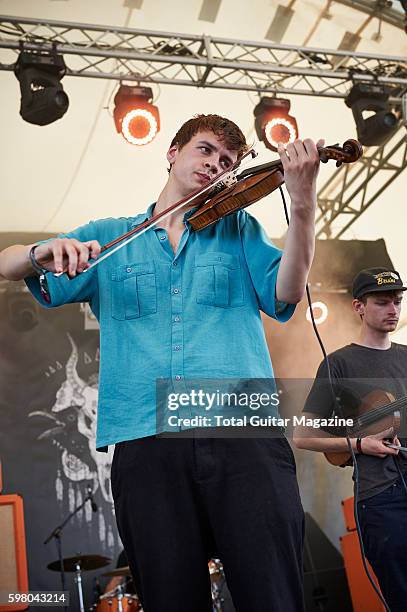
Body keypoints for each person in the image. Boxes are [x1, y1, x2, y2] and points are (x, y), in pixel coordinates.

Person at [0, 114, 323, 612]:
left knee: (272, 595)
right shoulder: (108, 236)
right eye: (206, 150)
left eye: (226, 162)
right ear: (172, 152)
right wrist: (43, 250)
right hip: (143, 437)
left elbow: (285, 291)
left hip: (241, 433)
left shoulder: (239, 229)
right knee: (170, 597)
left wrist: (303, 205)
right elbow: (8, 261)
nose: (215, 165)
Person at [293, 267, 407, 612]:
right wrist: (359, 445)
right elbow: (303, 435)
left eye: (398, 302)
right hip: (381, 496)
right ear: (359, 306)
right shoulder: (338, 364)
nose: (393, 310)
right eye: (383, 302)